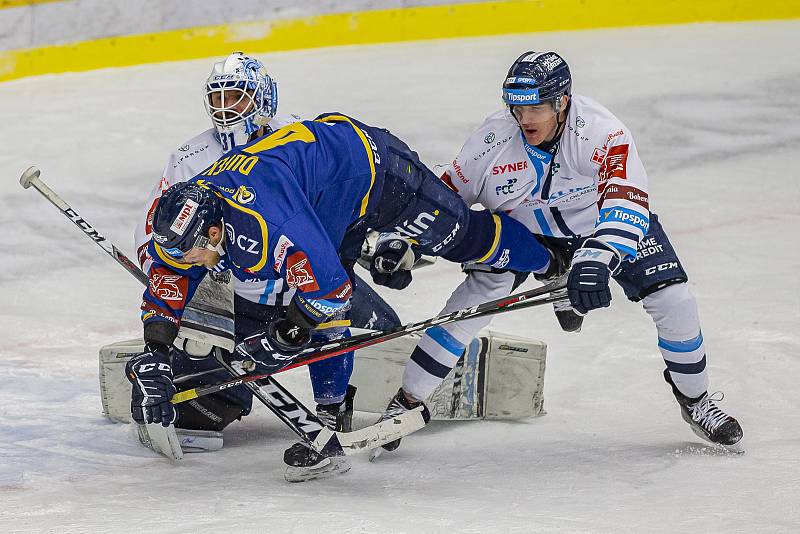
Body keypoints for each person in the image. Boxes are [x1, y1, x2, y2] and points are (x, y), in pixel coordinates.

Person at [127, 110, 556, 480]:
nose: (191, 261)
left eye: (195, 252)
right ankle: (331, 412)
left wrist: (285, 337)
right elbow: (170, 274)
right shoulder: (197, 209)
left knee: (464, 237)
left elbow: (332, 292)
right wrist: (155, 353)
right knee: (299, 291)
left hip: (374, 170)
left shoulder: (270, 221)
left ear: (216, 232)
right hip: (324, 202)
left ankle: (549, 261)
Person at [370, 50, 743, 454]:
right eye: (517, 106)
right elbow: (443, 198)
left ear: (562, 101)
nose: (525, 118)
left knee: (674, 300)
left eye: (536, 107)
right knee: (471, 303)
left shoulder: (602, 132)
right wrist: (404, 240)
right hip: (527, 235)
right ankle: (405, 404)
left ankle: (696, 399)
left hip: (597, 229)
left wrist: (598, 257)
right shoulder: (493, 139)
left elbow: (626, 201)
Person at [130, 52, 402, 479]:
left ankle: (334, 407)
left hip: (302, 275)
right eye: (218, 99)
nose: (225, 110)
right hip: (234, 290)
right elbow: (154, 235)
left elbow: (339, 207)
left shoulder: (300, 138)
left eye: (236, 98)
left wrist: (373, 244)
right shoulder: (189, 156)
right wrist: (174, 277)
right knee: (207, 386)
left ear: (263, 98)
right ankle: (215, 385)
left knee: (376, 328)